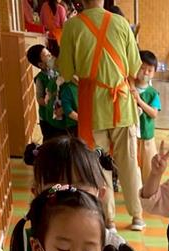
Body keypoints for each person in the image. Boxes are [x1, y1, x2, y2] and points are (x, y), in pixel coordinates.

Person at [58, 0, 145, 231]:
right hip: (121, 104)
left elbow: (65, 71)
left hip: (91, 107)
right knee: (129, 163)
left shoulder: (72, 26)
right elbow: (134, 68)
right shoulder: (121, 23)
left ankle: (109, 220)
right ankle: (137, 216)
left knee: (98, 165)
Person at [22, 135, 147, 251]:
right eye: (57, 189)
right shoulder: (25, 245)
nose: (69, 198)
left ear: (100, 194)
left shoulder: (115, 247)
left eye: (79, 190)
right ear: (36, 193)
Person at [27, 44, 65, 141]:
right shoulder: (40, 79)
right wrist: (50, 103)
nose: (51, 56)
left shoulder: (56, 72)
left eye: (50, 54)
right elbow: (39, 99)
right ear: (41, 65)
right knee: (50, 140)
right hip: (47, 117)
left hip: (58, 115)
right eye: (47, 56)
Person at [134, 50, 161, 183]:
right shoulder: (129, 87)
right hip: (131, 136)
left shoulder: (153, 93)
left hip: (147, 138)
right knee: (133, 172)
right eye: (142, 68)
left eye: (149, 70)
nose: (145, 73)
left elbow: (154, 113)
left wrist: (139, 101)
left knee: (149, 171)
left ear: (154, 73)